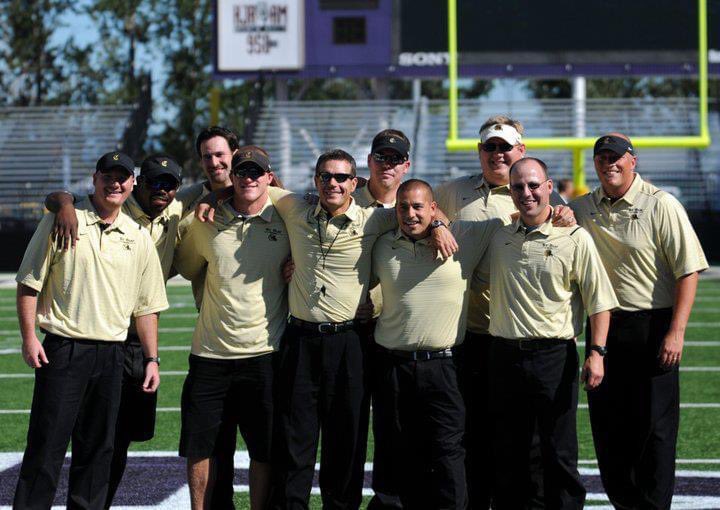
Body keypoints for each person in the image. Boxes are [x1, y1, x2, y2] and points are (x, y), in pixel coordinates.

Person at [13, 151, 168, 509]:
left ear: (132, 183)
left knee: (99, 452)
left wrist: (152, 359)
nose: (115, 183)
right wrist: (29, 337)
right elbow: (29, 283)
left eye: (122, 177)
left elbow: (146, 307)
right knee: (46, 446)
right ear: (94, 179)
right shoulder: (63, 219)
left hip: (114, 354)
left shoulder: (138, 235)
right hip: (64, 349)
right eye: (108, 176)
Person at [434, 115, 572, 509]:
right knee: (471, 434)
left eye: (504, 147)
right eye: (489, 147)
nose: (497, 154)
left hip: (520, 337)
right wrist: (435, 226)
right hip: (468, 334)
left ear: (520, 150)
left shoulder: (545, 199)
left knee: (524, 441)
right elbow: (414, 211)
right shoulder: (450, 192)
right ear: (479, 152)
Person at [570, 134, 708, 509]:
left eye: (616, 156)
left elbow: (689, 270)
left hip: (653, 326)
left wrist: (676, 332)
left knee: (656, 431)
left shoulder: (661, 205)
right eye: (601, 157)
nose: (608, 163)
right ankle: (625, 503)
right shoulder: (582, 208)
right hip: (605, 329)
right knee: (609, 427)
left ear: (634, 160)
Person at [479, 157, 617, 510]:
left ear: (549, 187)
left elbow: (599, 301)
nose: (527, 193)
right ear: (509, 192)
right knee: (511, 451)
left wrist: (597, 354)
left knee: (559, 452)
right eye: (519, 187)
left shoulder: (574, 237)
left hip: (554, 357)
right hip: (504, 355)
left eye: (534, 185)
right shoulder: (498, 235)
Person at [370, 179, 501, 509]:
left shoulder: (464, 238)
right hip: (392, 364)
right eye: (403, 207)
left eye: (418, 207)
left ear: (433, 208)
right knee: (393, 448)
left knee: (447, 451)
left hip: (443, 366)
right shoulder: (382, 242)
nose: (410, 214)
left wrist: (442, 225)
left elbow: (507, 220)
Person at [173, 147, 288, 510]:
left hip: (266, 355)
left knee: (265, 449)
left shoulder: (289, 216)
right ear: (232, 177)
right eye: (242, 171)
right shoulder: (204, 221)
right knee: (199, 447)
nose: (249, 177)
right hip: (210, 355)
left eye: (257, 171)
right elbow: (190, 268)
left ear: (270, 177)